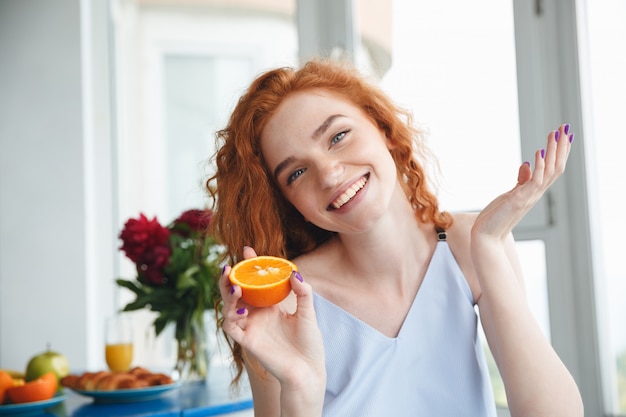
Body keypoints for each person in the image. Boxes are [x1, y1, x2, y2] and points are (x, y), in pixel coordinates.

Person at [206, 59, 583, 417]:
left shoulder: (472, 245)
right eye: (297, 172)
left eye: (338, 136)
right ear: (290, 204)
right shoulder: (283, 297)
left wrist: (488, 244)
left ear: (382, 127)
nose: (330, 174)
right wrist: (300, 388)